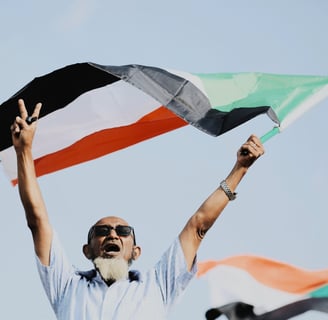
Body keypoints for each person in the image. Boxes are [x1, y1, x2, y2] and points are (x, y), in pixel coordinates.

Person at [11, 99, 265, 320]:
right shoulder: (67, 286)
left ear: (136, 251)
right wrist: (24, 151)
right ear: (87, 250)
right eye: (102, 231)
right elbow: (37, 221)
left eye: (123, 231)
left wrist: (239, 169)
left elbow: (198, 226)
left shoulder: (157, 286)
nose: (113, 235)